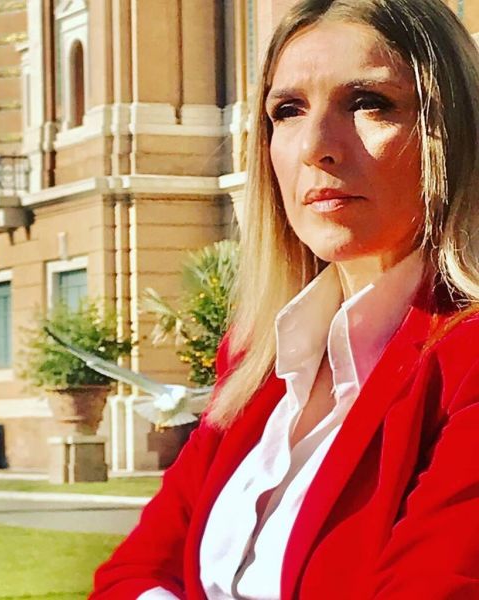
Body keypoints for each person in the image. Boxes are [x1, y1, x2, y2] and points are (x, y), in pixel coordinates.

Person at [91, 0, 479, 598]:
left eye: (369, 102)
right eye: (288, 111)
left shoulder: (466, 360)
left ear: (454, 134)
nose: (315, 147)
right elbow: (129, 574)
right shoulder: (255, 360)